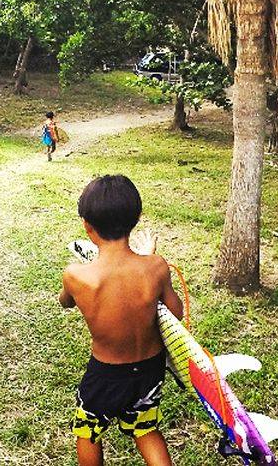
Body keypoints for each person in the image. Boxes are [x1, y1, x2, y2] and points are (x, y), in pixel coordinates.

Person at [59, 175, 184, 466]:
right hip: (150, 369)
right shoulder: (156, 266)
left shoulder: (76, 275)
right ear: (136, 219)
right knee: (146, 429)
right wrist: (149, 261)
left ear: (87, 226)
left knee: (88, 430)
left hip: (106, 373)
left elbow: (65, 301)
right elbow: (175, 313)